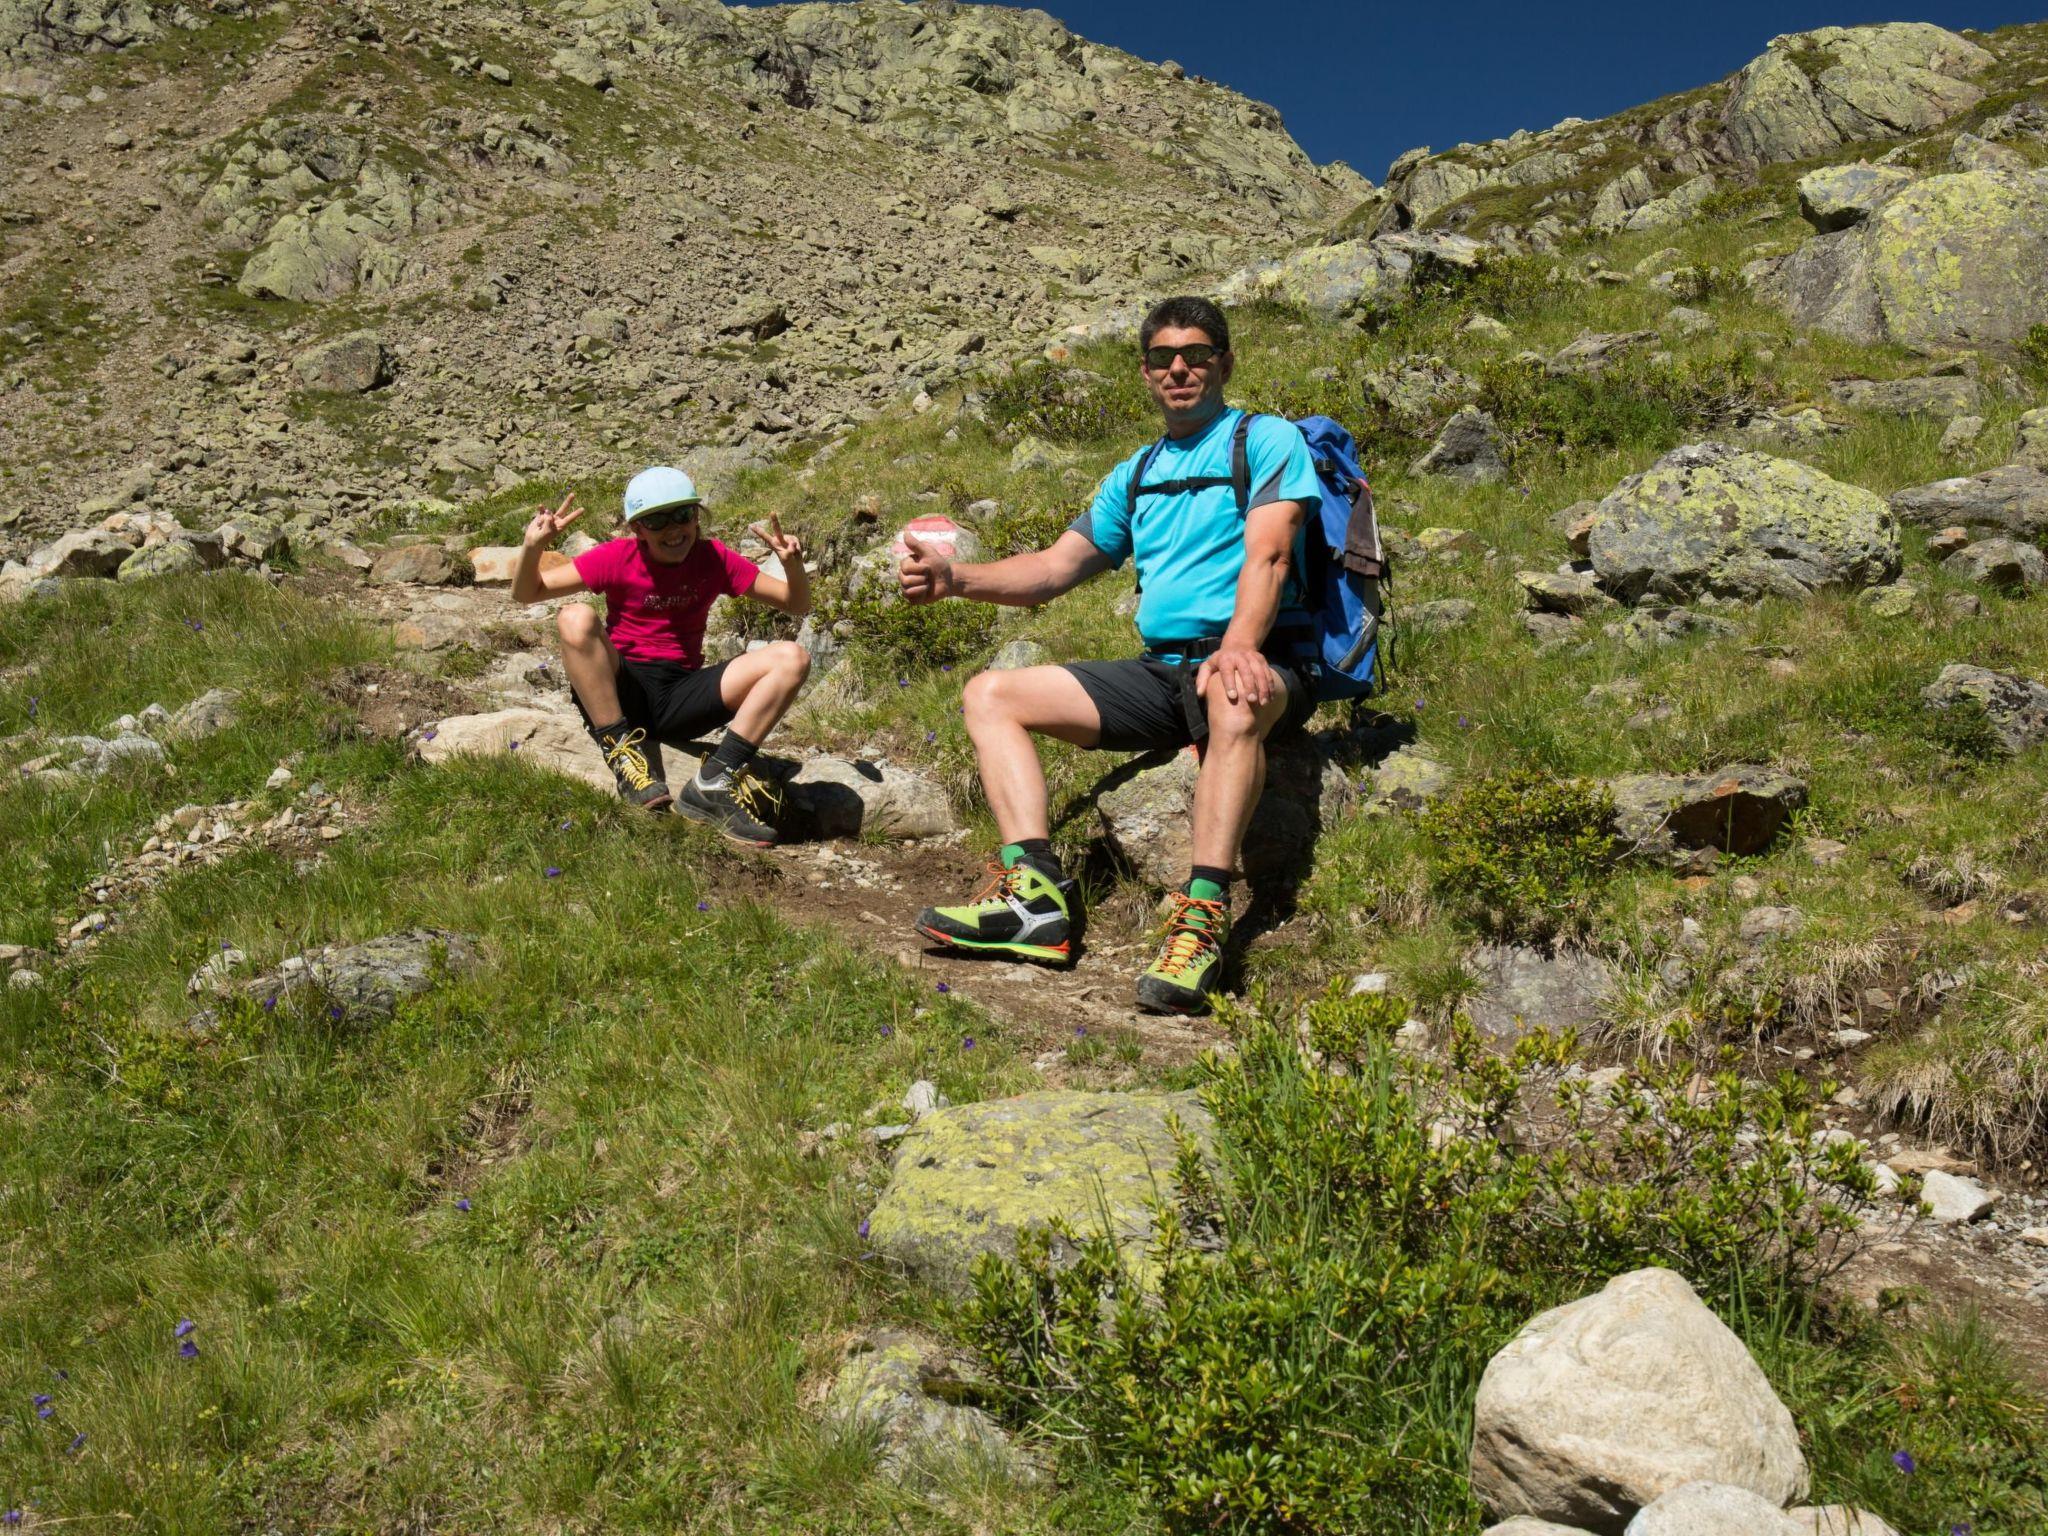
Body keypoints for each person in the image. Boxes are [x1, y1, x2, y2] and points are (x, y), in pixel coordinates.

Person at [898, 296, 1323, 1015]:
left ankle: (1201, 919)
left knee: (1230, 691)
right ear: (1146, 372)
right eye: (1162, 358)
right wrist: (955, 579)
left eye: (1196, 354)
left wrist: (1239, 646)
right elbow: (1053, 569)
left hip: (1263, 661)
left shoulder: (1265, 440)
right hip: (1164, 672)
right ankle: (1035, 897)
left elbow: (1272, 554)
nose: (1179, 368)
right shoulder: (1137, 472)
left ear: (1225, 364)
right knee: (990, 694)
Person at [510, 465, 811, 846]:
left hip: (681, 694)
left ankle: (713, 783)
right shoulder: (615, 557)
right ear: (638, 529)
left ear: (696, 516)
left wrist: (792, 565)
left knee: (792, 658)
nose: (673, 530)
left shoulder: (714, 559)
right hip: (620, 690)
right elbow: (527, 593)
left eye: (683, 514)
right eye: (656, 521)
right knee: (574, 617)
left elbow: (796, 604)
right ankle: (621, 754)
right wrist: (533, 547)